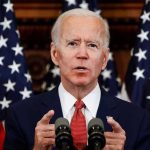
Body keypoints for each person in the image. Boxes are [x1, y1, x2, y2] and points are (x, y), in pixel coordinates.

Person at [4, 8, 150, 150]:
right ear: (55, 54)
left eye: (92, 45)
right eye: (72, 43)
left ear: (104, 59)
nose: (82, 54)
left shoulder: (138, 120)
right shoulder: (20, 116)